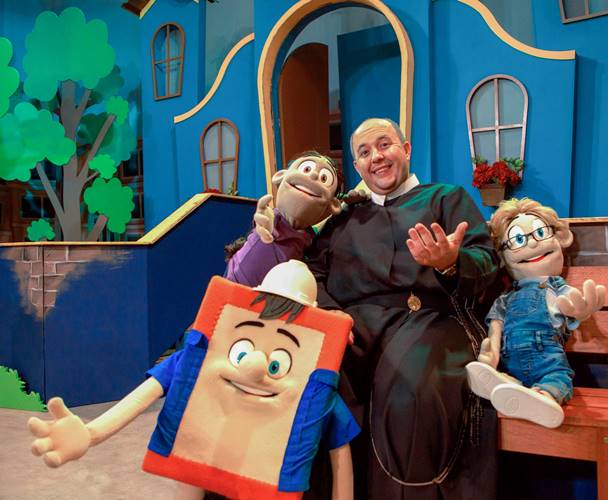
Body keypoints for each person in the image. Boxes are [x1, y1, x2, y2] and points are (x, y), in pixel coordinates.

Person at [28, 261, 358, 500]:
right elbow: (145, 394)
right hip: (204, 456)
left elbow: (339, 451)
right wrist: (91, 433)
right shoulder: (202, 357)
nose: (255, 366)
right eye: (243, 353)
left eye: (275, 364)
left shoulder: (315, 388)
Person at [305, 117, 500, 499]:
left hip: (433, 319)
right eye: (365, 152)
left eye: (384, 145)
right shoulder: (343, 218)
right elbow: (311, 271)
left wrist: (450, 262)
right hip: (353, 327)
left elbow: (488, 263)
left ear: (406, 150)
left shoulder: (445, 198)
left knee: (409, 391)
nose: (376, 157)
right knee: (308, 381)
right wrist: (329, 312)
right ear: (357, 167)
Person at [466, 198, 606, 428]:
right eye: (518, 240)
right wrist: (491, 354)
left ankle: (544, 397)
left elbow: (569, 304)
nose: (531, 244)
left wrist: (580, 310)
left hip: (547, 358)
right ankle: (509, 386)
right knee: (506, 376)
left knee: (559, 378)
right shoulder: (506, 296)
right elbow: (496, 325)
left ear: (559, 237)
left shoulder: (556, 287)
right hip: (509, 360)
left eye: (540, 233)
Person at [224, 152, 344, 287]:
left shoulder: (310, 236)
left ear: (333, 205)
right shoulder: (275, 220)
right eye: (306, 169)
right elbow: (264, 223)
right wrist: (265, 224)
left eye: (324, 178)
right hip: (234, 284)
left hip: (270, 293)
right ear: (280, 176)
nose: (313, 175)